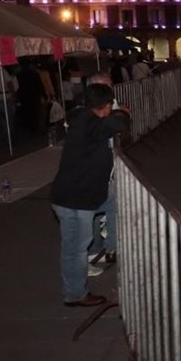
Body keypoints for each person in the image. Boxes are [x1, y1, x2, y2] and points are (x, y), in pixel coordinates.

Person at [49, 84, 130, 307]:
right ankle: (75, 294)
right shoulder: (90, 124)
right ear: (104, 107)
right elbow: (119, 123)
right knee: (75, 250)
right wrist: (123, 111)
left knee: (115, 204)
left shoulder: (83, 117)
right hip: (75, 199)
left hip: (89, 192)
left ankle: (111, 247)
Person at [84, 72, 123, 275]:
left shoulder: (104, 109)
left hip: (101, 172)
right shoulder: (89, 118)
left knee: (104, 209)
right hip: (91, 177)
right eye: (106, 86)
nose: (111, 89)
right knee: (101, 209)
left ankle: (101, 247)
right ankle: (107, 248)